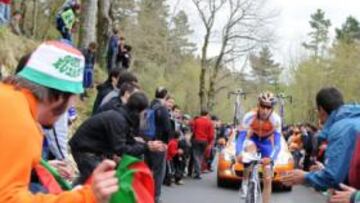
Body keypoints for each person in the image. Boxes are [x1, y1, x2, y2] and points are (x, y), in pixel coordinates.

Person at [0, 41, 118, 202]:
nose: (73, 105)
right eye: (73, 98)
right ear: (60, 97)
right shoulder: (22, 126)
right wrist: (85, 197)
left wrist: (39, 166)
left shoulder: (10, 102)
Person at [70, 91, 166, 184]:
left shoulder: (123, 117)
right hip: (85, 150)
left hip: (92, 150)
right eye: (144, 112)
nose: (144, 116)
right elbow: (120, 149)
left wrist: (148, 145)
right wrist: (146, 147)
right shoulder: (118, 119)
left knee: (88, 182)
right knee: (101, 184)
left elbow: (129, 141)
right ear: (138, 110)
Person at [282, 87, 360, 192]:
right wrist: (323, 170)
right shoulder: (353, 121)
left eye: (317, 111)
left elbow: (333, 178)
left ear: (321, 110)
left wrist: (305, 177)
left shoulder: (340, 128)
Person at [235, 91, 281, 203]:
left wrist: (270, 158)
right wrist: (239, 153)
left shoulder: (276, 120)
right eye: (263, 106)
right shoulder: (249, 116)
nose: (265, 110)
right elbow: (241, 137)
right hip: (253, 139)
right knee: (249, 154)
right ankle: (245, 181)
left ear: (272, 109)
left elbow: (278, 144)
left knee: (268, 177)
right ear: (258, 105)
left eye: (268, 107)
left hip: (266, 142)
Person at [145, 86, 172, 203]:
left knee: (146, 169)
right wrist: (166, 143)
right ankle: (155, 196)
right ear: (165, 96)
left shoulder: (148, 106)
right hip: (159, 144)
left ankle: (143, 193)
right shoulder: (163, 108)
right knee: (158, 171)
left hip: (147, 142)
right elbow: (167, 128)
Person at [191, 110, 214, 179]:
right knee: (201, 156)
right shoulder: (209, 122)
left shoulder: (197, 121)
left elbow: (193, 130)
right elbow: (211, 135)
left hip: (197, 139)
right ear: (207, 114)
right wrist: (209, 143)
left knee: (195, 155)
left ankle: (197, 172)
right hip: (205, 141)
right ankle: (198, 171)